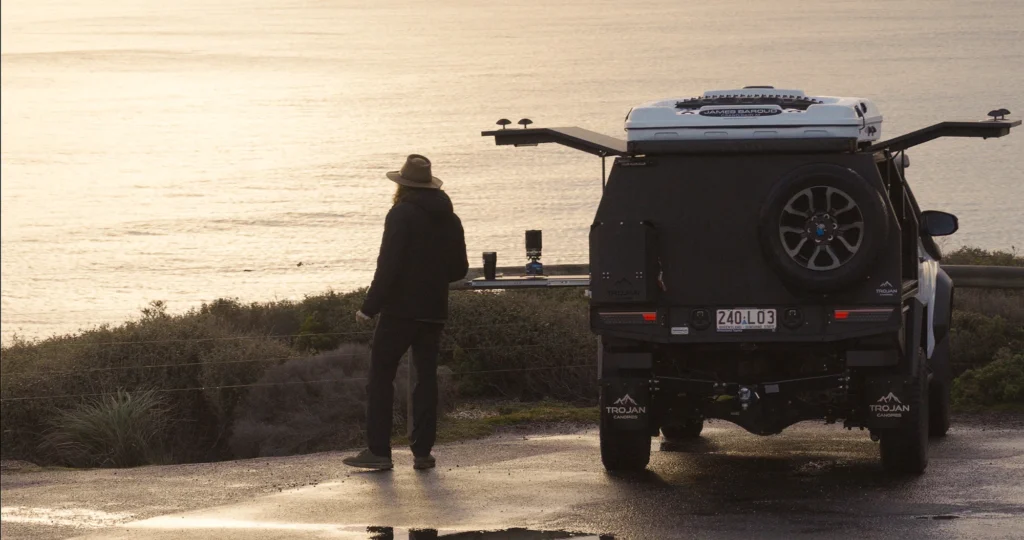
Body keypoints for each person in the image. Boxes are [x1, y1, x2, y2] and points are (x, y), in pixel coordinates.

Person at [343, 154, 468, 471]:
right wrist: (432, 279)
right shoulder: (450, 219)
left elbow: (388, 265)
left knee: (380, 376)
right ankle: (423, 453)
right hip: (434, 310)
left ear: (402, 185)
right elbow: (459, 269)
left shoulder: (400, 214)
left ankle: (379, 452)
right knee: (425, 380)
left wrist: (369, 307)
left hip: (400, 311)